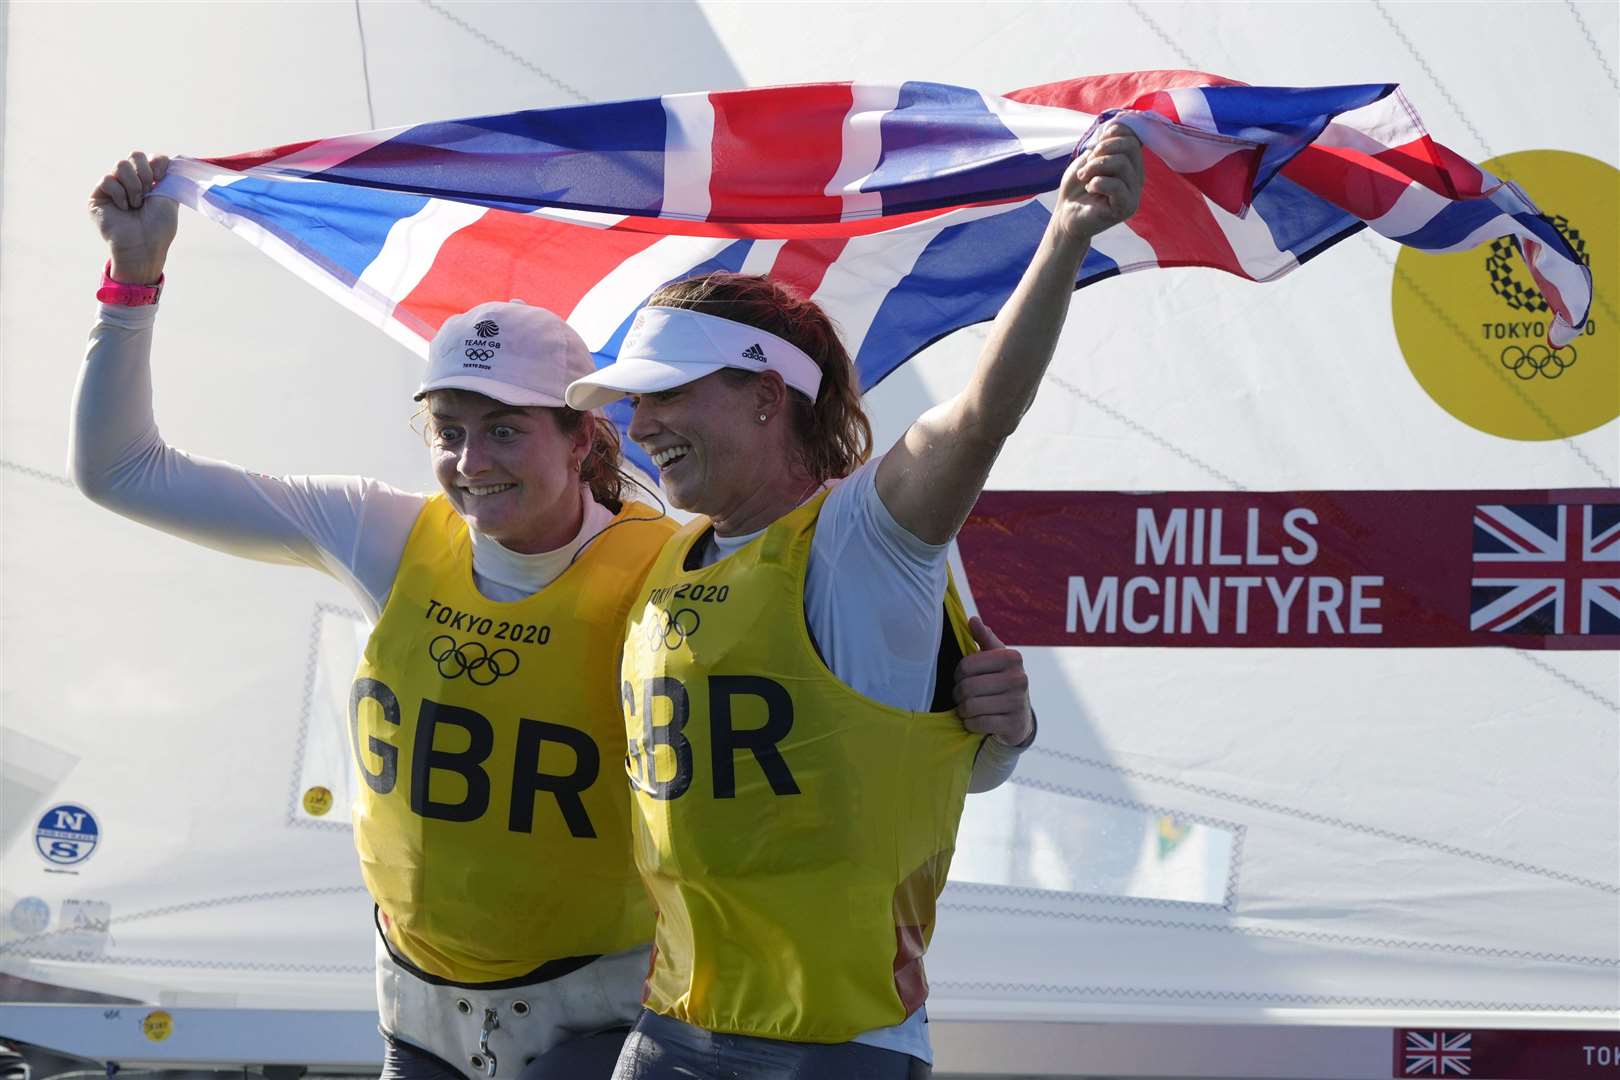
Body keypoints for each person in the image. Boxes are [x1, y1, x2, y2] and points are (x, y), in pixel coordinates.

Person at [75, 152, 1038, 1080]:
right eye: (448, 429)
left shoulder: (675, 558)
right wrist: (134, 279)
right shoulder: (384, 534)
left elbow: (873, 729)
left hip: (602, 1008)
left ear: (584, 439)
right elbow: (124, 473)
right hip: (417, 1012)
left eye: (504, 427)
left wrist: (998, 731)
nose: (472, 458)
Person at [563, 123, 1144, 1079]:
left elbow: (977, 420)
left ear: (764, 396)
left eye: (666, 394)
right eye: (635, 403)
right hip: (670, 1027)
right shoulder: (673, 553)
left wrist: (1067, 236)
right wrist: (997, 735)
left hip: (831, 1044)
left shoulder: (860, 537)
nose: (643, 424)